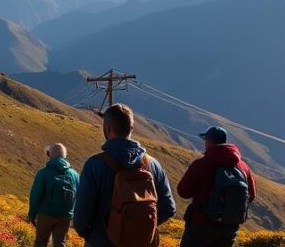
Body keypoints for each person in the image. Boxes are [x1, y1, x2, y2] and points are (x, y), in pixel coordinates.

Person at [73, 104, 175, 247]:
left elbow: (81, 218)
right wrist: (140, 228)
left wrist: (94, 236)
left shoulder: (95, 165)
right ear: (132, 128)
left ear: (107, 129)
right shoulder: (153, 165)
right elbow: (169, 208)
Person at [177, 127, 256, 247]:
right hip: (230, 227)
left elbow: (183, 192)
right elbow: (251, 195)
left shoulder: (202, 164)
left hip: (201, 224)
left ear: (209, 141)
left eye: (205, 140)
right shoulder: (243, 167)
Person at [28, 143, 79, 247]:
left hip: (46, 214)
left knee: (41, 242)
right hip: (65, 215)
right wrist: (73, 215)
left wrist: (32, 214)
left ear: (50, 155)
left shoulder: (43, 173)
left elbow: (35, 195)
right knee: (60, 243)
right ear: (64, 155)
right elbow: (79, 196)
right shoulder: (74, 175)